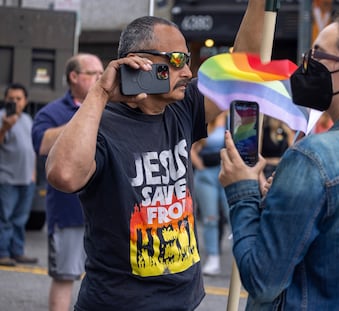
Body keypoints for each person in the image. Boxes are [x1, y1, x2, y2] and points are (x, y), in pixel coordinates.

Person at [43, 1, 265, 310]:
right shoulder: (101, 123)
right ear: (138, 62)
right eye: (176, 60)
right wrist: (100, 93)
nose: (187, 71)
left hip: (183, 300)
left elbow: (241, 64)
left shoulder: (183, 106)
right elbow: (63, 175)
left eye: (187, 59)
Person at [218, 12, 339, 310]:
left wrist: (242, 191)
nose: (306, 64)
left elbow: (262, 280)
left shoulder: (313, 156)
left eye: (317, 54)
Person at [31, 53, 104, 311]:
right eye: (93, 73)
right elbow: (41, 143)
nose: (100, 78)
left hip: (106, 213)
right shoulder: (52, 112)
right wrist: (87, 114)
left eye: (101, 73)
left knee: (105, 282)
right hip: (69, 213)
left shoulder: (112, 107)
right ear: (74, 77)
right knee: (64, 278)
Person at [0, 83, 37, 266]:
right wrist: (5, 127)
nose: (14, 102)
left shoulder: (27, 119)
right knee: (5, 218)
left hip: (26, 179)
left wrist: (33, 174)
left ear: (25, 101)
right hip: (6, 178)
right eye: (11, 99)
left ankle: (17, 251)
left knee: (20, 219)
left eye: (18, 98)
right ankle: (3, 253)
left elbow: (31, 149)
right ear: (5, 100)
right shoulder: (2, 118)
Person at [191, 111, 229, 276]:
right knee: (210, 218)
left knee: (233, 215)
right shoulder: (207, 120)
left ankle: (240, 260)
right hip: (207, 174)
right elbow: (192, 147)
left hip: (227, 173)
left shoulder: (232, 119)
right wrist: (200, 166)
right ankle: (213, 257)